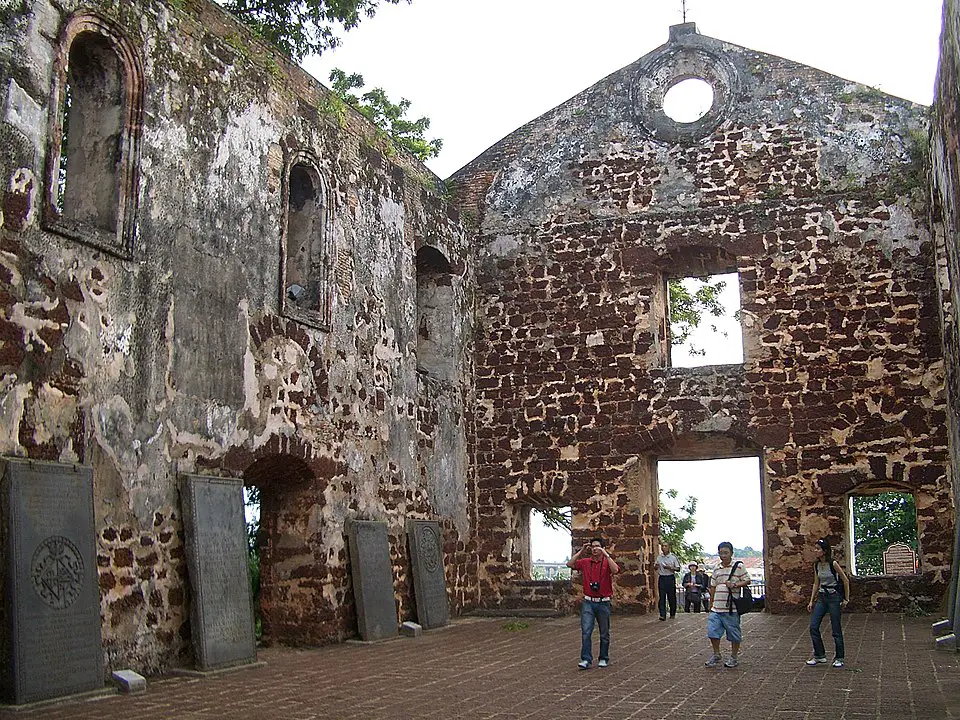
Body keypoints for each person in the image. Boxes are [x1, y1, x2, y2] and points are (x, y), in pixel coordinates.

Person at [568, 537, 620, 670]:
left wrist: (606, 555)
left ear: (602, 548)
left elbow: (615, 570)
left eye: (597, 546)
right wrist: (581, 551)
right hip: (589, 601)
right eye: (593, 546)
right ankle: (586, 659)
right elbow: (570, 564)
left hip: (603, 602)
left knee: (604, 632)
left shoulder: (606, 562)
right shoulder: (586, 562)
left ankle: (603, 657)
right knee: (586, 631)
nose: (595, 548)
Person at [704, 541, 750, 668]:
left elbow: (747, 580)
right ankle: (716, 653)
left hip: (731, 608)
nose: (723, 555)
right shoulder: (716, 568)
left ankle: (734, 656)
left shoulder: (738, 567)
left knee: (734, 634)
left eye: (726, 553)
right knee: (712, 632)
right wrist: (711, 603)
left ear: (731, 553)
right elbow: (712, 586)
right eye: (721, 553)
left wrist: (735, 585)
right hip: (716, 608)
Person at [806, 538, 851, 668]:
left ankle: (839, 657)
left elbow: (845, 580)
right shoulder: (817, 565)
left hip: (833, 597)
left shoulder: (833, 564)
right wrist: (811, 600)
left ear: (824, 551)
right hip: (822, 596)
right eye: (815, 548)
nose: (816, 551)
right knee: (814, 626)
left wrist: (846, 598)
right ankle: (819, 655)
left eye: (818, 549)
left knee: (836, 628)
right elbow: (816, 582)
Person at [654, 541, 681, 620]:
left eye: (665, 546)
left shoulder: (673, 557)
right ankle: (662, 614)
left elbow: (678, 568)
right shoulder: (659, 557)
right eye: (663, 546)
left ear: (669, 547)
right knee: (662, 597)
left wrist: (670, 568)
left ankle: (672, 613)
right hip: (662, 578)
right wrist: (656, 566)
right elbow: (655, 567)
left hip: (670, 578)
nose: (664, 548)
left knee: (671, 596)